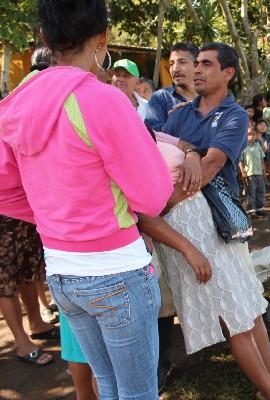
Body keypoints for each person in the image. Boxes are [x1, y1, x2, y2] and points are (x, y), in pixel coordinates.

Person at [0, 1, 173, 398]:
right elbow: (153, 196)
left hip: (62, 272)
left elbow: (5, 186)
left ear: (44, 39)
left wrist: (52, 215)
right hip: (118, 271)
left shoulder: (16, 103)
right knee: (137, 392)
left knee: (108, 383)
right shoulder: (104, 99)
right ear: (103, 39)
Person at [142, 42, 270, 400]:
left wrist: (162, 203)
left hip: (218, 221)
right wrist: (187, 153)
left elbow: (210, 166)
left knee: (249, 308)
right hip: (187, 230)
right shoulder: (179, 113)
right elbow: (160, 145)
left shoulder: (233, 116)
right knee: (235, 317)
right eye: (196, 64)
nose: (197, 70)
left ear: (228, 73)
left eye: (206, 64)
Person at [0, 216, 57, 366]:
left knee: (28, 269)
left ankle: (37, 324)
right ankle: (22, 344)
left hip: (20, 217)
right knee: (5, 281)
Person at [145, 42, 199, 131]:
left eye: (182, 62)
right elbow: (152, 137)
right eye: (171, 64)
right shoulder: (160, 98)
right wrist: (172, 122)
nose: (175, 69)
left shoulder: (211, 98)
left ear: (197, 65)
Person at [240, 129, 267, 217]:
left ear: (256, 136)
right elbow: (240, 160)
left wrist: (263, 169)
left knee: (261, 190)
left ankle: (260, 208)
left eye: (253, 135)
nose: (251, 137)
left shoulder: (258, 146)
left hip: (259, 172)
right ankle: (251, 210)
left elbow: (261, 158)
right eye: (249, 135)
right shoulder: (243, 147)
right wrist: (243, 171)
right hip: (249, 173)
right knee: (251, 192)